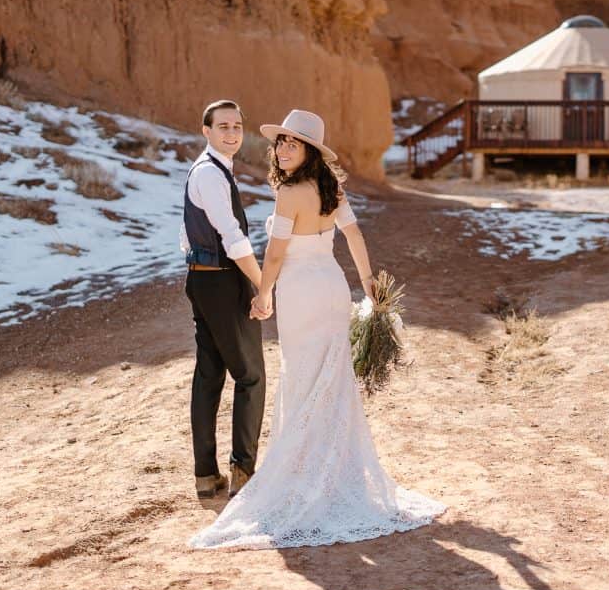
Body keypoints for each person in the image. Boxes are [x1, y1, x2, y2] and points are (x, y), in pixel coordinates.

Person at [189, 109, 445, 550]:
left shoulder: (290, 192)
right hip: (331, 287)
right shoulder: (332, 190)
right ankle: (331, 473)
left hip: (301, 291)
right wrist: (366, 282)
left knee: (304, 380)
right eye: (281, 141)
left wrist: (263, 294)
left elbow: (275, 254)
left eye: (293, 142)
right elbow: (354, 237)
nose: (283, 147)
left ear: (309, 152)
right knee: (329, 382)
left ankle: (305, 479)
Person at [180, 100, 268, 503]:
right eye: (223, 126)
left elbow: (188, 235)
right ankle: (243, 473)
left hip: (202, 281)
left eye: (237, 125)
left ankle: (205, 476)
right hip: (221, 283)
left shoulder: (207, 171)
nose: (232, 133)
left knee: (210, 375)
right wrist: (263, 285)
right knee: (250, 376)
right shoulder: (211, 175)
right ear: (206, 131)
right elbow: (233, 239)